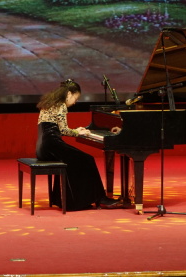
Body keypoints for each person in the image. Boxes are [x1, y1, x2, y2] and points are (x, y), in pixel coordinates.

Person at [36, 78, 123, 210]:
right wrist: (78, 132)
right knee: (87, 159)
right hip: (53, 145)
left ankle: (78, 199)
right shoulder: (61, 105)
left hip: (43, 147)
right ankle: (99, 198)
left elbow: (56, 129)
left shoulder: (49, 103)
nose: (75, 102)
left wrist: (76, 130)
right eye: (75, 98)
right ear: (69, 94)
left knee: (78, 160)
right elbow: (63, 130)